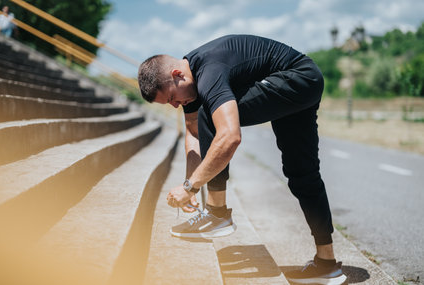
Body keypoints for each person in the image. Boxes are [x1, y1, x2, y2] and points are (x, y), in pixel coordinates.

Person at [137, 34, 347, 285]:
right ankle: (327, 264)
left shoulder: (209, 72)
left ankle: (217, 213)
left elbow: (230, 137)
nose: (175, 105)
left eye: (172, 98)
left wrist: (190, 187)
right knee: (303, 175)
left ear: (177, 75)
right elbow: (193, 134)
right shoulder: (189, 84)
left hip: (297, 75)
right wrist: (190, 184)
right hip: (304, 81)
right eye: (170, 104)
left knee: (210, 114)